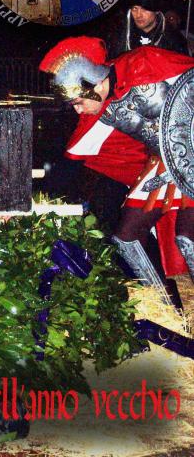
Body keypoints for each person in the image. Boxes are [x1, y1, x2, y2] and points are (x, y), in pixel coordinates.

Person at [41, 37, 194, 300]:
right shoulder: (103, 108)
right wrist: (38, 201)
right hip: (167, 162)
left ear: (97, 84)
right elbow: (71, 161)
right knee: (127, 239)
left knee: (188, 238)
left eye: (79, 102)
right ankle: (165, 308)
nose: (79, 111)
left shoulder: (144, 63)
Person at [109, 0, 189, 59]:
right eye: (134, 9)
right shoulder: (122, 34)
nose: (139, 15)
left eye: (144, 9)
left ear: (156, 11)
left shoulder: (174, 39)